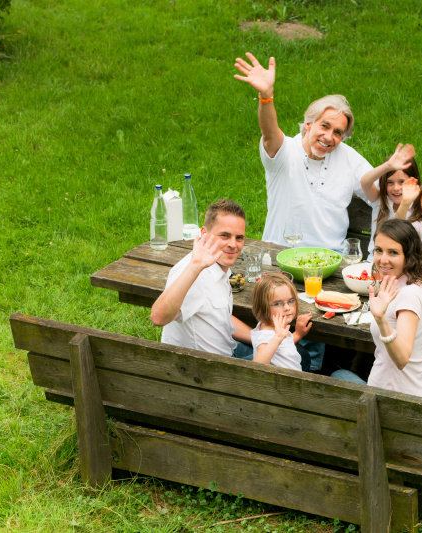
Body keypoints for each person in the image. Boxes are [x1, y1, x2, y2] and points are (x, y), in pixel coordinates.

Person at [233, 53, 373, 250]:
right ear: (308, 124)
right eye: (324, 126)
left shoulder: (349, 157)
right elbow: (270, 134)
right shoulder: (286, 150)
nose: (329, 137)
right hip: (279, 255)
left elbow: (382, 194)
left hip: (331, 261)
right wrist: (266, 97)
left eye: (338, 132)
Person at [332, 219, 422, 398]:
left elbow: (402, 359)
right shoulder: (400, 284)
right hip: (385, 390)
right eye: (379, 250)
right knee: (338, 375)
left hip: (396, 399)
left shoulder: (409, 294)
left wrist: (381, 319)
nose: (382, 259)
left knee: (334, 378)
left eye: (393, 252)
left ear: (409, 256)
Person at [150, 199, 255, 358]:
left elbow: (218, 318)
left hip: (227, 349)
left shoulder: (218, 264)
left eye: (239, 237)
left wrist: (259, 337)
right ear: (204, 234)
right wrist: (195, 266)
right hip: (206, 371)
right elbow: (158, 317)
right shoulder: (194, 271)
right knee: (296, 359)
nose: (233, 244)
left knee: (288, 349)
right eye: (224, 235)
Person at [357, 143, 420, 258]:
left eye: (402, 182)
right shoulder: (380, 201)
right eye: (390, 182)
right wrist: (388, 166)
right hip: (374, 263)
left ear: (414, 181)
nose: (396, 188)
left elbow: (397, 233)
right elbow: (365, 182)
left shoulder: (420, 207)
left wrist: (405, 203)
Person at [250, 272, 313, 371]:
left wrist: (298, 334)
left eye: (291, 301)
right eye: (277, 303)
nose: (287, 308)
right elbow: (257, 366)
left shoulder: (272, 326)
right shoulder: (266, 335)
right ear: (262, 306)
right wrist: (278, 337)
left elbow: (281, 349)